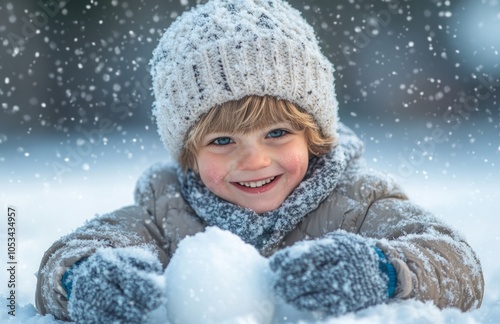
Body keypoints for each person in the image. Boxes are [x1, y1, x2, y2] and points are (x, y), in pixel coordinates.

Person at [35, 0, 484, 322]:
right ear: (188, 155)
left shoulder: (357, 202)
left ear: (315, 136)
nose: (254, 159)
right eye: (223, 140)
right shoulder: (165, 211)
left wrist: (381, 270)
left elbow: (458, 262)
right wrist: (83, 281)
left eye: (276, 133)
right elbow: (67, 257)